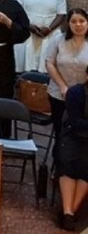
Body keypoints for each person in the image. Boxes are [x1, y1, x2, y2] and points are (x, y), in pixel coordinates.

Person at [44, 8, 88, 158]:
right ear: (68, 24)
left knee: (80, 133)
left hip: (83, 97)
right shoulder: (58, 40)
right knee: (61, 131)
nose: (78, 25)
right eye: (73, 21)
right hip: (59, 93)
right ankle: (59, 164)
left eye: (82, 21)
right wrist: (63, 87)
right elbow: (49, 63)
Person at [13, 0, 67, 73]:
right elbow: (16, 10)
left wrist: (49, 29)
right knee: (26, 64)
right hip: (28, 31)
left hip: (49, 33)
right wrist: (29, 26)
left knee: (46, 65)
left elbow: (61, 14)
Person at [56, 65, 88, 230]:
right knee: (69, 163)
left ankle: (69, 213)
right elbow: (75, 122)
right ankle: (68, 211)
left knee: (86, 168)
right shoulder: (76, 92)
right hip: (73, 136)